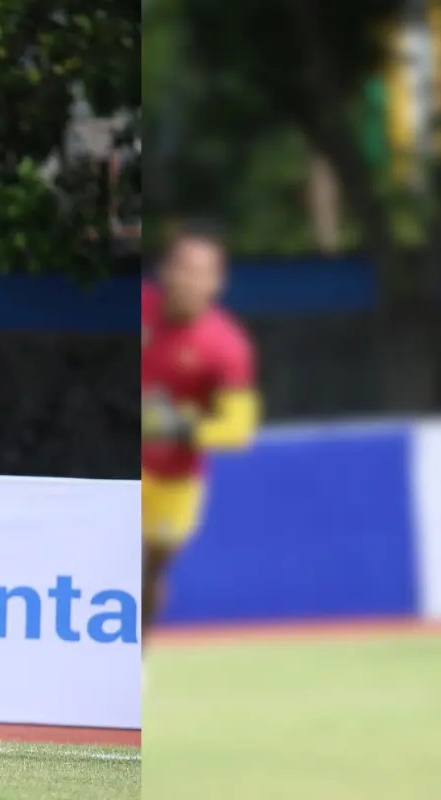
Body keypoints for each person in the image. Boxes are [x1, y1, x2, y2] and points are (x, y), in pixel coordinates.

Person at [141, 221, 259, 675]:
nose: (188, 280)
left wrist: (182, 427)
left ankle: (136, 656)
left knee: (148, 571)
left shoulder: (226, 346)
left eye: (201, 271)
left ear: (217, 282)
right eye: (182, 267)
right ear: (163, 269)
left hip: (176, 479)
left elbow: (238, 427)